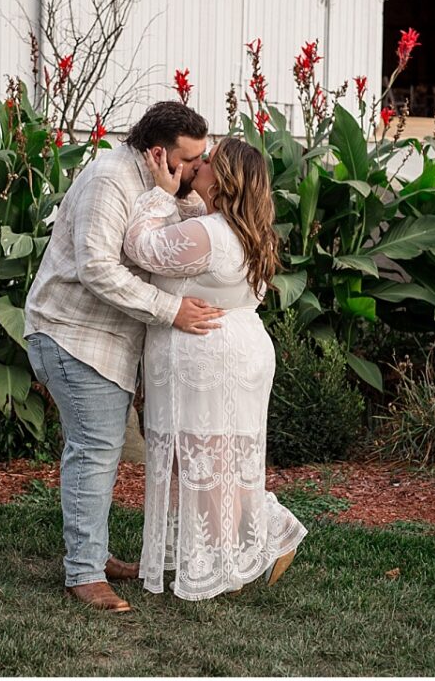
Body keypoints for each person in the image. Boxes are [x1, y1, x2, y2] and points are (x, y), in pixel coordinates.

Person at [24, 101, 226, 613]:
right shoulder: (110, 181)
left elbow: (164, 234)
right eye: (192, 160)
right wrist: (171, 310)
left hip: (104, 341)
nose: (198, 169)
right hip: (72, 334)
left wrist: (178, 196)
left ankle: (93, 553)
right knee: (94, 451)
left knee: (102, 451)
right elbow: (98, 268)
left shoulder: (156, 185)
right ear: (160, 153)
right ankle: (84, 574)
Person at [123, 136, 305, 600]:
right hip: (241, 348)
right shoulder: (249, 231)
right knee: (218, 458)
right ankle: (232, 553)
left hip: (212, 355)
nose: (198, 166)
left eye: (208, 162)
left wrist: (161, 194)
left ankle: (263, 534)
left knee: (204, 459)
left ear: (222, 179)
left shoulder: (209, 232)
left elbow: (140, 246)